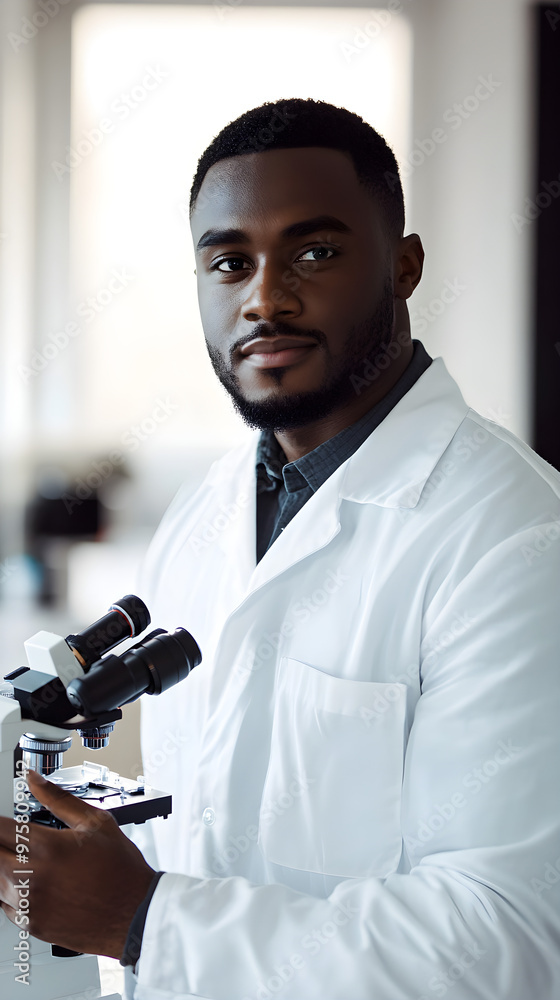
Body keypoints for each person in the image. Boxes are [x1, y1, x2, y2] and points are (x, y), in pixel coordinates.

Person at [1, 97, 560, 1000]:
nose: (265, 296)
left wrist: (147, 921)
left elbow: (511, 943)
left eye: (315, 252)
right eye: (230, 262)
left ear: (405, 266)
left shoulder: (515, 540)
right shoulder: (203, 515)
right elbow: (195, 833)